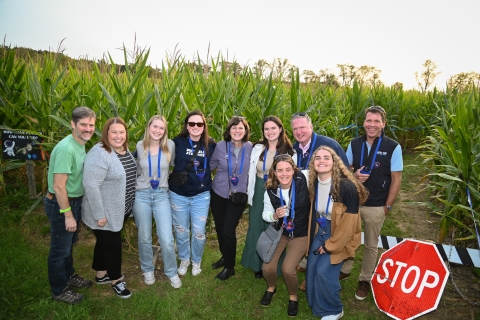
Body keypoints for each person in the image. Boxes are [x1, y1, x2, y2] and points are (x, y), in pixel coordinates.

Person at [339, 105, 403, 301]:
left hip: (377, 205)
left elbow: (396, 179)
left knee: (371, 245)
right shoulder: (354, 143)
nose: (372, 125)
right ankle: (346, 269)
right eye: (369, 121)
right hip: (355, 201)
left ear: (383, 124)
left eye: (376, 121)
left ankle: (365, 279)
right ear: (363, 122)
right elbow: (344, 169)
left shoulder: (393, 147)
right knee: (349, 237)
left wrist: (388, 206)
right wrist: (353, 175)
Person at [305, 146, 368, 319]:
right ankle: (316, 305)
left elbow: (349, 225)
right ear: (313, 163)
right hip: (322, 230)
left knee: (324, 272)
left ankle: (334, 309)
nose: (322, 161)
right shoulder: (315, 183)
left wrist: (328, 246)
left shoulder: (346, 187)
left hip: (340, 234)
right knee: (311, 268)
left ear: (334, 162)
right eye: (318, 158)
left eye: (327, 157)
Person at [291, 112, 348, 290]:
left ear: (311, 127)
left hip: (327, 203)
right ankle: (309, 265)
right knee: (310, 235)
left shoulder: (329, 145)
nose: (299, 131)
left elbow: (345, 172)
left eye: (302, 127)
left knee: (324, 237)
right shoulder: (294, 149)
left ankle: (317, 275)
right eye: (295, 128)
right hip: (306, 202)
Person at [44, 106, 96, 305]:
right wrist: (67, 214)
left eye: (91, 125)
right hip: (62, 204)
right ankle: (59, 289)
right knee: (59, 249)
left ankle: (68, 275)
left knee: (68, 245)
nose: (88, 129)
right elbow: (58, 186)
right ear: (72, 124)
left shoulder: (79, 143)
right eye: (83, 124)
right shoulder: (66, 149)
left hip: (74, 202)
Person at [82, 117, 136, 299]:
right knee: (113, 246)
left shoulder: (123, 149)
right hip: (104, 212)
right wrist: (100, 214)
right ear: (106, 133)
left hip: (120, 209)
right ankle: (116, 280)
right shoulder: (100, 153)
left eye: (122, 132)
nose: (118, 136)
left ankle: (101, 275)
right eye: (114, 132)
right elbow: (90, 185)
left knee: (103, 242)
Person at [241, 116, 296, 279]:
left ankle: (273, 263)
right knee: (256, 226)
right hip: (258, 188)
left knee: (273, 226)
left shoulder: (290, 151)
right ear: (263, 131)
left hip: (277, 190)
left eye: (273, 128)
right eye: (266, 129)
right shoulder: (257, 148)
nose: (270, 132)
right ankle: (256, 264)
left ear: (280, 129)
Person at [132, 115, 182, 288]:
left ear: (165, 131)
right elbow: (137, 169)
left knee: (167, 238)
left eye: (161, 128)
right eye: (155, 127)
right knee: (144, 236)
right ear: (148, 127)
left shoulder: (170, 145)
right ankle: (147, 269)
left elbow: (173, 164)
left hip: (161, 194)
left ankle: (171, 271)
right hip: (142, 195)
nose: (157, 131)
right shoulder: (140, 145)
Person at [259, 155, 310, 317]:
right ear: (274, 172)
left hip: (301, 232)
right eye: (279, 170)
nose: (284, 174)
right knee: (267, 267)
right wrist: (274, 216)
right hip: (281, 231)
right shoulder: (270, 191)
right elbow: (265, 214)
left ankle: (293, 296)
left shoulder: (305, 178)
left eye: (288, 170)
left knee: (288, 269)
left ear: (294, 170)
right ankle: (271, 287)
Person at [169, 110, 216, 277]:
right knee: (181, 230)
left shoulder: (210, 145)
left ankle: (196, 260)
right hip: (178, 194)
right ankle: (184, 259)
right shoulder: (176, 142)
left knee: (199, 231)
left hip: (201, 195)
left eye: (199, 124)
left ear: (204, 127)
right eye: (192, 124)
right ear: (187, 126)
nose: (196, 126)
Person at [210, 116, 253, 280]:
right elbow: (211, 165)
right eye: (234, 128)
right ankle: (225, 256)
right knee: (220, 228)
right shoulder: (221, 146)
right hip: (219, 193)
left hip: (239, 196)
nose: (237, 131)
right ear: (229, 130)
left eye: (241, 128)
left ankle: (230, 267)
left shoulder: (251, 147)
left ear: (245, 131)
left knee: (228, 230)